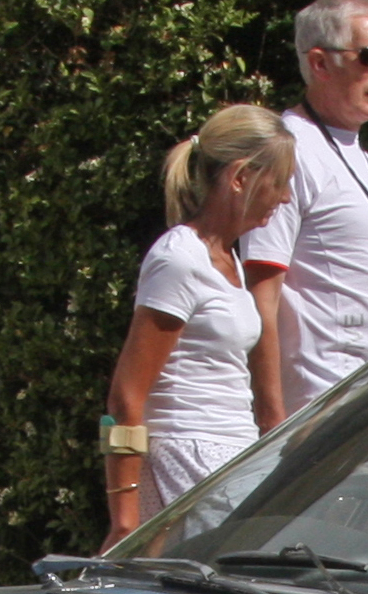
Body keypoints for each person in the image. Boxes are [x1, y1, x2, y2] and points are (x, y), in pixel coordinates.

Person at [102, 105, 297, 538]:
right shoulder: (179, 259)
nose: (284, 198)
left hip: (233, 462)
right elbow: (125, 398)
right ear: (241, 178)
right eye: (279, 182)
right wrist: (125, 521)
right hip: (190, 468)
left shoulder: (230, 261)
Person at [242, 0, 368, 418]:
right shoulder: (290, 152)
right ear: (319, 63)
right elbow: (262, 294)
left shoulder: (360, 157)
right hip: (328, 417)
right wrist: (272, 422)